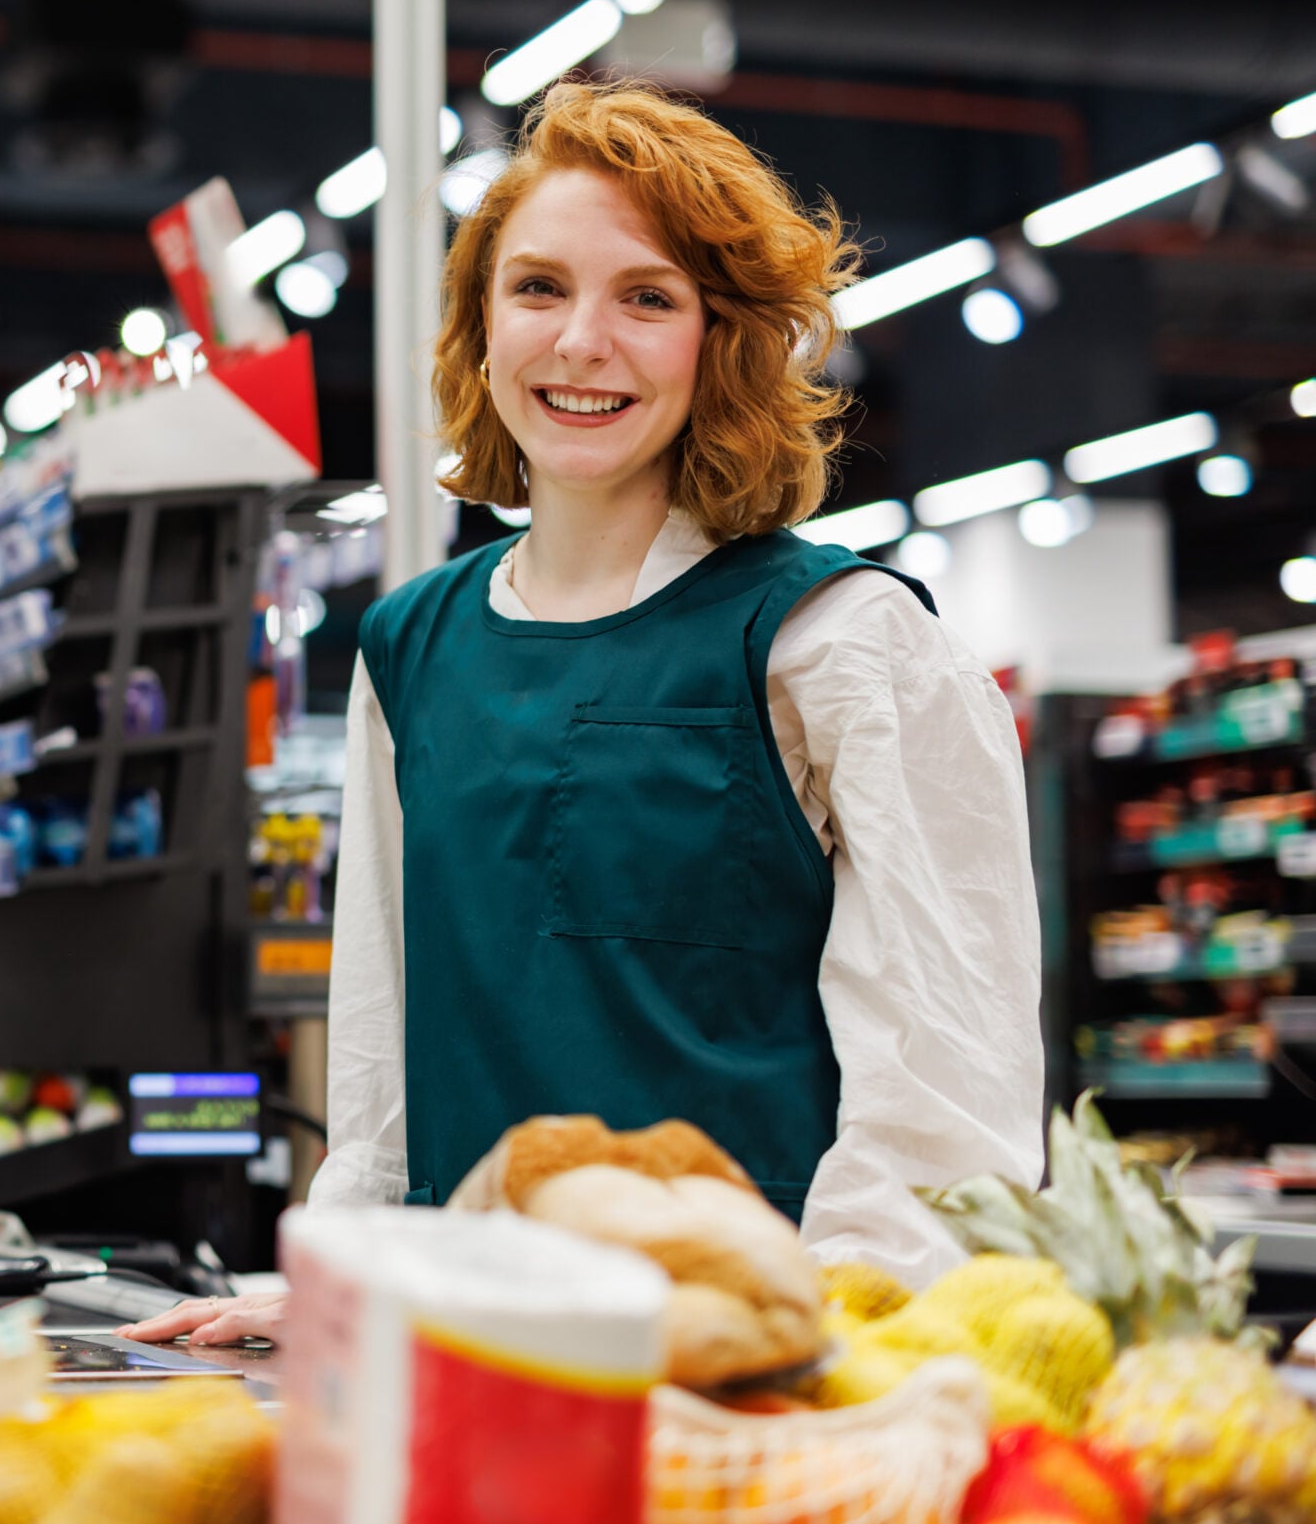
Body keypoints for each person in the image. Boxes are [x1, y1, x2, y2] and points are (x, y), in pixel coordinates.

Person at [129, 82, 1042, 1348]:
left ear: (723, 339)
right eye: (539, 287)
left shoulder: (843, 641)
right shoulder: (409, 644)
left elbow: (948, 1071)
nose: (579, 342)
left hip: (736, 1354)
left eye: (647, 298)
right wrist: (342, 1277)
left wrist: (829, 1341)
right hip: (466, 1346)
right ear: (481, 323)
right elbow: (385, 1046)